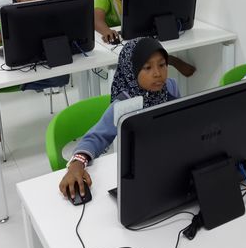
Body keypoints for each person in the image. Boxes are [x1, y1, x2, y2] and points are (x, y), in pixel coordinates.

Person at [59, 37, 180, 200]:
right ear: (131, 70)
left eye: (162, 65)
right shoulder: (124, 103)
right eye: (147, 67)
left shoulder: (171, 87)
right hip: (140, 173)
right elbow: (97, 137)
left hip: (168, 164)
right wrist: (77, 164)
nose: (158, 73)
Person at [0, 0, 69, 140]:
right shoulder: (14, 16)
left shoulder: (51, 14)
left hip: (43, 61)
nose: (33, 0)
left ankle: (23, 83)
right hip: (18, 64)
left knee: (62, 78)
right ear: (19, 0)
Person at [94, 0, 196, 77]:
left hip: (135, 38)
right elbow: (96, 19)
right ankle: (168, 59)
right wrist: (107, 31)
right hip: (114, 45)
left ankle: (163, 60)